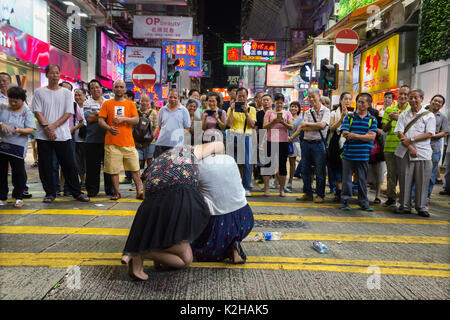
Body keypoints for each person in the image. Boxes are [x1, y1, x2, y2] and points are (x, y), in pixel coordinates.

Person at [121, 142, 224, 281]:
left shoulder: (157, 163)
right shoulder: (191, 151)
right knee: (186, 260)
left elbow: (147, 200)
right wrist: (221, 161)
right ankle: (140, 253)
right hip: (179, 198)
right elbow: (219, 145)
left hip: (153, 205)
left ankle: (140, 252)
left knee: (186, 258)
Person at [31, 65, 89, 203]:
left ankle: (76, 192)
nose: (55, 75)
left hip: (62, 135)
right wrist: (47, 128)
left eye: (57, 73)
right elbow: (37, 111)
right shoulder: (39, 92)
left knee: (69, 164)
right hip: (43, 135)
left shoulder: (66, 93)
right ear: (47, 75)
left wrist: (53, 127)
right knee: (46, 165)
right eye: (52, 73)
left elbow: (69, 112)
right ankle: (50, 193)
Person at [192, 153, 254, 263]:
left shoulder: (197, 167)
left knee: (197, 250)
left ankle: (224, 249)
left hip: (219, 225)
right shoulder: (229, 159)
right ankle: (232, 244)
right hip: (245, 218)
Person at [98, 80, 143, 201]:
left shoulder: (131, 104)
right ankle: (117, 192)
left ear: (124, 90)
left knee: (135, 168)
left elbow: (136, 120)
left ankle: (139, 191)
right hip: (112, 142)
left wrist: (124, 119)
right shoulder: (107, 104)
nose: (118, 89)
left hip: (128, 142)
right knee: (113, 170)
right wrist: (108, 128)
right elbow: (100, 120)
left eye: (121, 87)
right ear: (113, 89)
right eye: (116, 87)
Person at [394, 89, 436, 217]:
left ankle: (421, 207)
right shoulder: (403, 115)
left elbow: (429, 133)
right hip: (406, 152)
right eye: (410, 97)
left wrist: (411, 140)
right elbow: (399, 132)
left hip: (423, 153)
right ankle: (404, 206)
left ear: (422, 99)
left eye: (415, 97)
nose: (412, 100)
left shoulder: (429, 115)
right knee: (404, 180)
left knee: (422, 181)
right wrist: (411, 147)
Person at [340, 93, 378, 211]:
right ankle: (345, 201)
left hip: (363, 155)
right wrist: (363, 136)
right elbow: (345, 133)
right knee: (346, 180)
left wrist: (354, 135)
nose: (359, 104)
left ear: (368, 104)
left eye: (362, 102)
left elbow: (371, 137)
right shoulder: (349, 117)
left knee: (362, 180)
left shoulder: (372, 120)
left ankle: (363, 202)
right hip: (348, 154)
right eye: (358, 102)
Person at [0, 87, 36, 208]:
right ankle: (2, 197)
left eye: (16, 101)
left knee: (18, 173)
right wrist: (1, 124)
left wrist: (20, 130)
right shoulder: (4, 107)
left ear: (22, 100)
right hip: (3, 145)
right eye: (11, 101)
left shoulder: (27, 112)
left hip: (18, 147)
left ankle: (19, 197)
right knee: (1, 173)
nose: (13, 104)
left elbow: (31, 130)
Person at [296, 88, 330, 203]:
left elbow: (322, 125)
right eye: (309, 97)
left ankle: (320, 194)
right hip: (306, 143)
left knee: (320, 171)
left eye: (313, 97)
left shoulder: (326, 111)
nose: (311, 99)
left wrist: (307, 124)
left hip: (318, 144)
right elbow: (303, 127)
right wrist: (310, 125)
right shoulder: (307, 112)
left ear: (319, 97)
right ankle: (308, 193)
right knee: (305, 170)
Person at [381, 85, 411, 207]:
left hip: (405, 147)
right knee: (391, 175)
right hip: (389, 147)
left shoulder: (411, 111)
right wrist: (390, 120)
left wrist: (399, 119)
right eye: (401, 94)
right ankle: (391, 198)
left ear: (409, 97)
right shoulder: (389, 110)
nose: (403, 96)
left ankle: (404, 200)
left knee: (404, 175)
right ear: (397, 96)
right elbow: (384, 129)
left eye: (405, 94)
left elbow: (411, 129)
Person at [83, 79, 113, 197]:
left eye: (97, 87)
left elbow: (110, 118)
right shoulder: (87, 102)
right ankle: (92, 190)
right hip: (92, 140)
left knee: (109, 166)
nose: (95, 89)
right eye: (92, 88)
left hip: (108, 139)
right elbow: (89, 119)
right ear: (90, 91)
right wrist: (103, 116)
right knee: (92, 167)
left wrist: (97, 114)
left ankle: (110, 189)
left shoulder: (108, 102)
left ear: (101, 88)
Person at [226, 87, 256, 197]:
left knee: (247, 163)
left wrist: (246, 113)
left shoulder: (251, 109)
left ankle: (246, 187)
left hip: (246, 137)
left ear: (247, 97)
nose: (241, 98)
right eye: (239, 96)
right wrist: (232, 110)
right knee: (232, 163)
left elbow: (252, 125)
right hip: (232, 137)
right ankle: (233, 187)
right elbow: (229, 124)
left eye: (244, 96)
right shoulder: (231, 108)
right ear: (236, 97)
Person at [261, 93, 293, 197]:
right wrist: (274, 121)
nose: (279, 105)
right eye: (277, 102)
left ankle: (282, 189)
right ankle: (266, 189)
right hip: (270, 141)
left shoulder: (287, 113)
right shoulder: (269, 113)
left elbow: (291, 127)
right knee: (268, 165)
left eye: (281, 103)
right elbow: (264, 126)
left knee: (282, 165)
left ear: (283, 103)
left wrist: (283, 122)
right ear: (274, 102)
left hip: (283, 141)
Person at [327, 92, 351, 202]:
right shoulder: (333, 114)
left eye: (349, 99)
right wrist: (341, 119)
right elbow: (331, 128)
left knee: (346, 167)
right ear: (340, 100)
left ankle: (345, 191)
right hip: (335, 142)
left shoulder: (352, 114)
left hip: (348, 142)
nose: (347, 101)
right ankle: (338, 190)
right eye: (345, 99)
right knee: (336, 167)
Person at [154, 89, 191, 159]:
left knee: (174, 167)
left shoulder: (183, 110)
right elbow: (159, 126)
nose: (172, 99)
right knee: (159, 167)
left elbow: (187, 128)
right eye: (170, 97)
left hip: (177, 145)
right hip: (161, 143)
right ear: (167, 97)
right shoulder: (162, 110)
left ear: (179, 99)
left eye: (175, 97)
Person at [425, 95, 449, 199]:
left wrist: (432, 135)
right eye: (435, 100)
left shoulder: (443, 117)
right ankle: (413, 196)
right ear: (431, 101)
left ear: (442, 105)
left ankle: (426, 197)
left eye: (440, 102)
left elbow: (445, 132)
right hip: (420, 148)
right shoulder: (422, 113)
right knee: (417, 174)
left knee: (431, 175)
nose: (437, 103)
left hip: (434, 149)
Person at [135, 94, 159, 168]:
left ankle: (149, 178)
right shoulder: (135, 112)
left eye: (147, 101)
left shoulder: (153, 112)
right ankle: (137, 179)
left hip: (150, 142)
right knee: (137, 162)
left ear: (149, 102)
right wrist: (135, 142)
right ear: (139, 101)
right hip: (137, 142)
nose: (144, 103)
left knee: (149, 161)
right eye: (142, 101)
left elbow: (156, 126)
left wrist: (151, 138)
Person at [254, 94, 272, 185]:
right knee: (261, 158)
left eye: (267, 100)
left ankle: (271, 176)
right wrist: (255, 140)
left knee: (272, 157)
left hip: (272, 137)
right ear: (261, 102)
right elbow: (256, 127)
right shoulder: (258, 114)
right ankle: (261, 176)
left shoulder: (275, 113)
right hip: (261, 136)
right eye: (264, 100)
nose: (266, 102)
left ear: (271, 101)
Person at [121, 90, 137, 185]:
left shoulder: (134, 107)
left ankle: (133, 178)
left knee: (133, 159)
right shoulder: (123, 106)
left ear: (130, 97)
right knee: (126, 158)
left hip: (134, 137)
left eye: (125, 96)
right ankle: (128, 177)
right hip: (125, 137)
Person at [73, 88, 87, 188]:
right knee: (78, 162)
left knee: (87, 162)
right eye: (76, 95)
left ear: (85, 96)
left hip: (88, 140)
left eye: (80, 95)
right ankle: (82, 181)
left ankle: (87, 180)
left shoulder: (88, 107)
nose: (77, 97)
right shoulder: (72, 107)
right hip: (76, 139)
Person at [287, 101, 302, 192]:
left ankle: (290, 182)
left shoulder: (300, 119)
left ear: (298, 109)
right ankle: (277, 181)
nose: (294, 108)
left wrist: (291, 138)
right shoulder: (286, 117)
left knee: (292, 163)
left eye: (296, 107)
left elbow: (299, 131)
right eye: (292, 106)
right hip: (284, 141)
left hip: (294, 142)